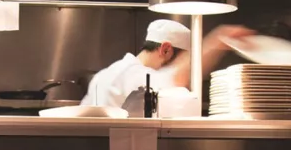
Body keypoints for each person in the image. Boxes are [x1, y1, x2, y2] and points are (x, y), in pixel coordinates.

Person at [82, 19, 254, 108]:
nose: (185, 66)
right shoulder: (132, 76)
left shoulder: (104, 75)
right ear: (165, 50)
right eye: (184, 60)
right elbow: (176, 78)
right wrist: (219, 39)